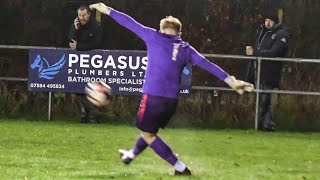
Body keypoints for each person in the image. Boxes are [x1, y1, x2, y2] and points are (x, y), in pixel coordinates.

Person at [90, 3, 253, 176]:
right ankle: (131, 154)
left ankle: (180, 168)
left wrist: (107, 10)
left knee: (148, 135)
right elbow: (208, 65)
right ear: (179, 33)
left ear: (161, 30)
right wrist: (231, 81)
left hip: (153, 96)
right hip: (171, 101)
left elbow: (129, 23)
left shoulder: (152, 36)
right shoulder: (186, 48)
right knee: (149, 131)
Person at [246, 10, 290, 131]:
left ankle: (266, 125)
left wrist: (255, 53)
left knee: (264, 98)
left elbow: (275, 52)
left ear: (275, 21)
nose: (267, 22)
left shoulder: (282, 34)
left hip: (270, 71)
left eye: (270, 20)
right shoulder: (263, 33)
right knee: (262, 98)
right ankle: (266, 125)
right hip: (258, 70)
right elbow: (260, 49)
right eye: (266, 20)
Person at [68, 5, 103, 123]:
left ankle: (93, 115)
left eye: (84, 15)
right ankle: (85, 113)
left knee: (92, 88)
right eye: (79, 15)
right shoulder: (75, 25)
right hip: (78, 62)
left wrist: (79, 47)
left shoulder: (96, 26)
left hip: (94, 62)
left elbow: (97, 44)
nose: (81, 18)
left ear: (89, 15)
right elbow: (71, 43)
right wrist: (75, 29)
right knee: (77, 88)